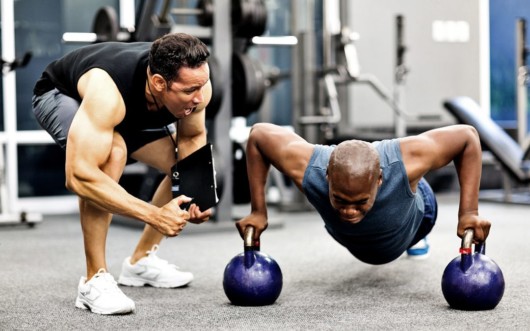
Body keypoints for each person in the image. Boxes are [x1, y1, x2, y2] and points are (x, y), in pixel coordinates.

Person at [32, 33, 213, 315]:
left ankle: (140, 262)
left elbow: (192, 140)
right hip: (60, 94)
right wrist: (154, 214)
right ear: (158, 83)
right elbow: (80, 176)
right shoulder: (107, 91)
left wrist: (196, 194)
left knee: (181, 167)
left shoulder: (195, 84)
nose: (200, 98)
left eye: (202, 85)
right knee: (111, 156)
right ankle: (94, 280)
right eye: (190, 91)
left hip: (129, 110)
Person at [236, 123, 491, 265]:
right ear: (327, 177)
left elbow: (467, 137)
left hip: (414, 218)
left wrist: (469, 213)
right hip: (354, 238)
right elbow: (258, 135)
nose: (348, 211)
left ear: (379, 180)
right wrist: (258, 211)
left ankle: (415, 237)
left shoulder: (405, 162)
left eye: (360, 203)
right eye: (340, 200)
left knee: (414, 194)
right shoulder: (308, 169)